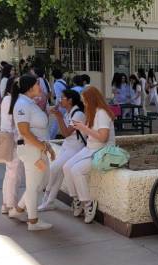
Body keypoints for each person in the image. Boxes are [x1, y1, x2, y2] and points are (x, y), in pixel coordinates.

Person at [8, 75, 56, 231]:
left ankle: (19, 210)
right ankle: (33, 221)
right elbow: (24, 131)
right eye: (37, 85)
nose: (40, 88)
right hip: (31, 150)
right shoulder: (22, 104)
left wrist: (44, 146)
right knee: (34, 185)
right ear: (29, 87)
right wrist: (41, 146)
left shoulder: (29, 103)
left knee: (40, 182)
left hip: (37, 149)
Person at [62, 86, 115, 224]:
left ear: (91, 100)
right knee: (66, 167)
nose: (84, 103)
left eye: (85, 101)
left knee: (77, 170)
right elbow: (90, 135)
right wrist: (80, 127)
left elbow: (103, 137)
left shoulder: (102, 113)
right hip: (91, 148)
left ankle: (88, 203)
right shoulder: (93, 112)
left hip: (102, 151)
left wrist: (84, 128)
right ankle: (77, 199)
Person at [39, 89, 87, 211]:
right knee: (59, 173)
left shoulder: (78, 114)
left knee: (54, 168)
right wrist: (58, 115)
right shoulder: (68, 112)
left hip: (75, 148)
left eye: (63, 98)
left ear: (70, 100)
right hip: (67, 146)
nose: (60, 100)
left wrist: (58, 116)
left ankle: (47, 195)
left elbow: (65, 133)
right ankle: (49, 202)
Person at [0, 78, 23, 216]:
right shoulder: (13, 101)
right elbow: (12, 125)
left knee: (10, 173)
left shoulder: (7, 100)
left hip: (7, 140)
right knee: (14, 174)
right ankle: (10, 204)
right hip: (13, 141)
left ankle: (6, 203)